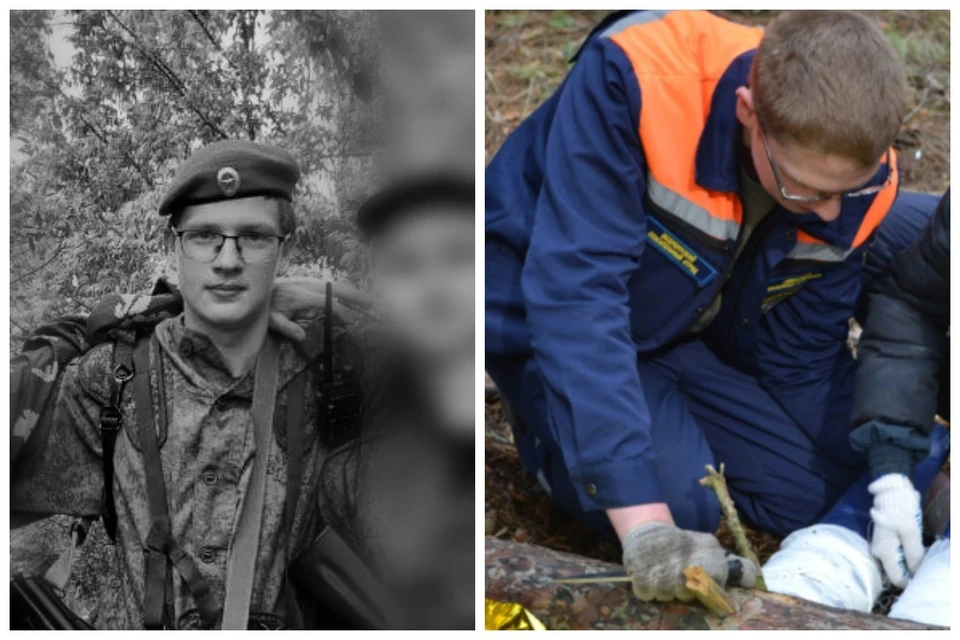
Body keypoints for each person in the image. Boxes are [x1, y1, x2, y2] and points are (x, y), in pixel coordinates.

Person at [484, 9, 938, 603]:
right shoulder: (638, 78)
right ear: (749, 114)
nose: (831, 214)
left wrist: (902, 463)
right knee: (674, 504)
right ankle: (553, 439)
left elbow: (800, 359)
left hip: (688, 321)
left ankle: (664, 413)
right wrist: (644, 521)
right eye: (808, 191)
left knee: (814, 489)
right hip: (546, 315)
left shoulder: (855, 174)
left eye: (843, 192)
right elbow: (577, 299)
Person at [10, 140, 360, 629]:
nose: (228, 260)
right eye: (204, 237)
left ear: (288, 249)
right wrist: (149, 308)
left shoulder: (330, 377)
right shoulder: (112, 377)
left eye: (254, 238)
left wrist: (332, 300)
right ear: (171, 246)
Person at [320, 174, 475, 628]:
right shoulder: (345, 372)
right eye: (405, 266)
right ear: (374, 279)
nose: (434, 288)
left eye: (457, 256)